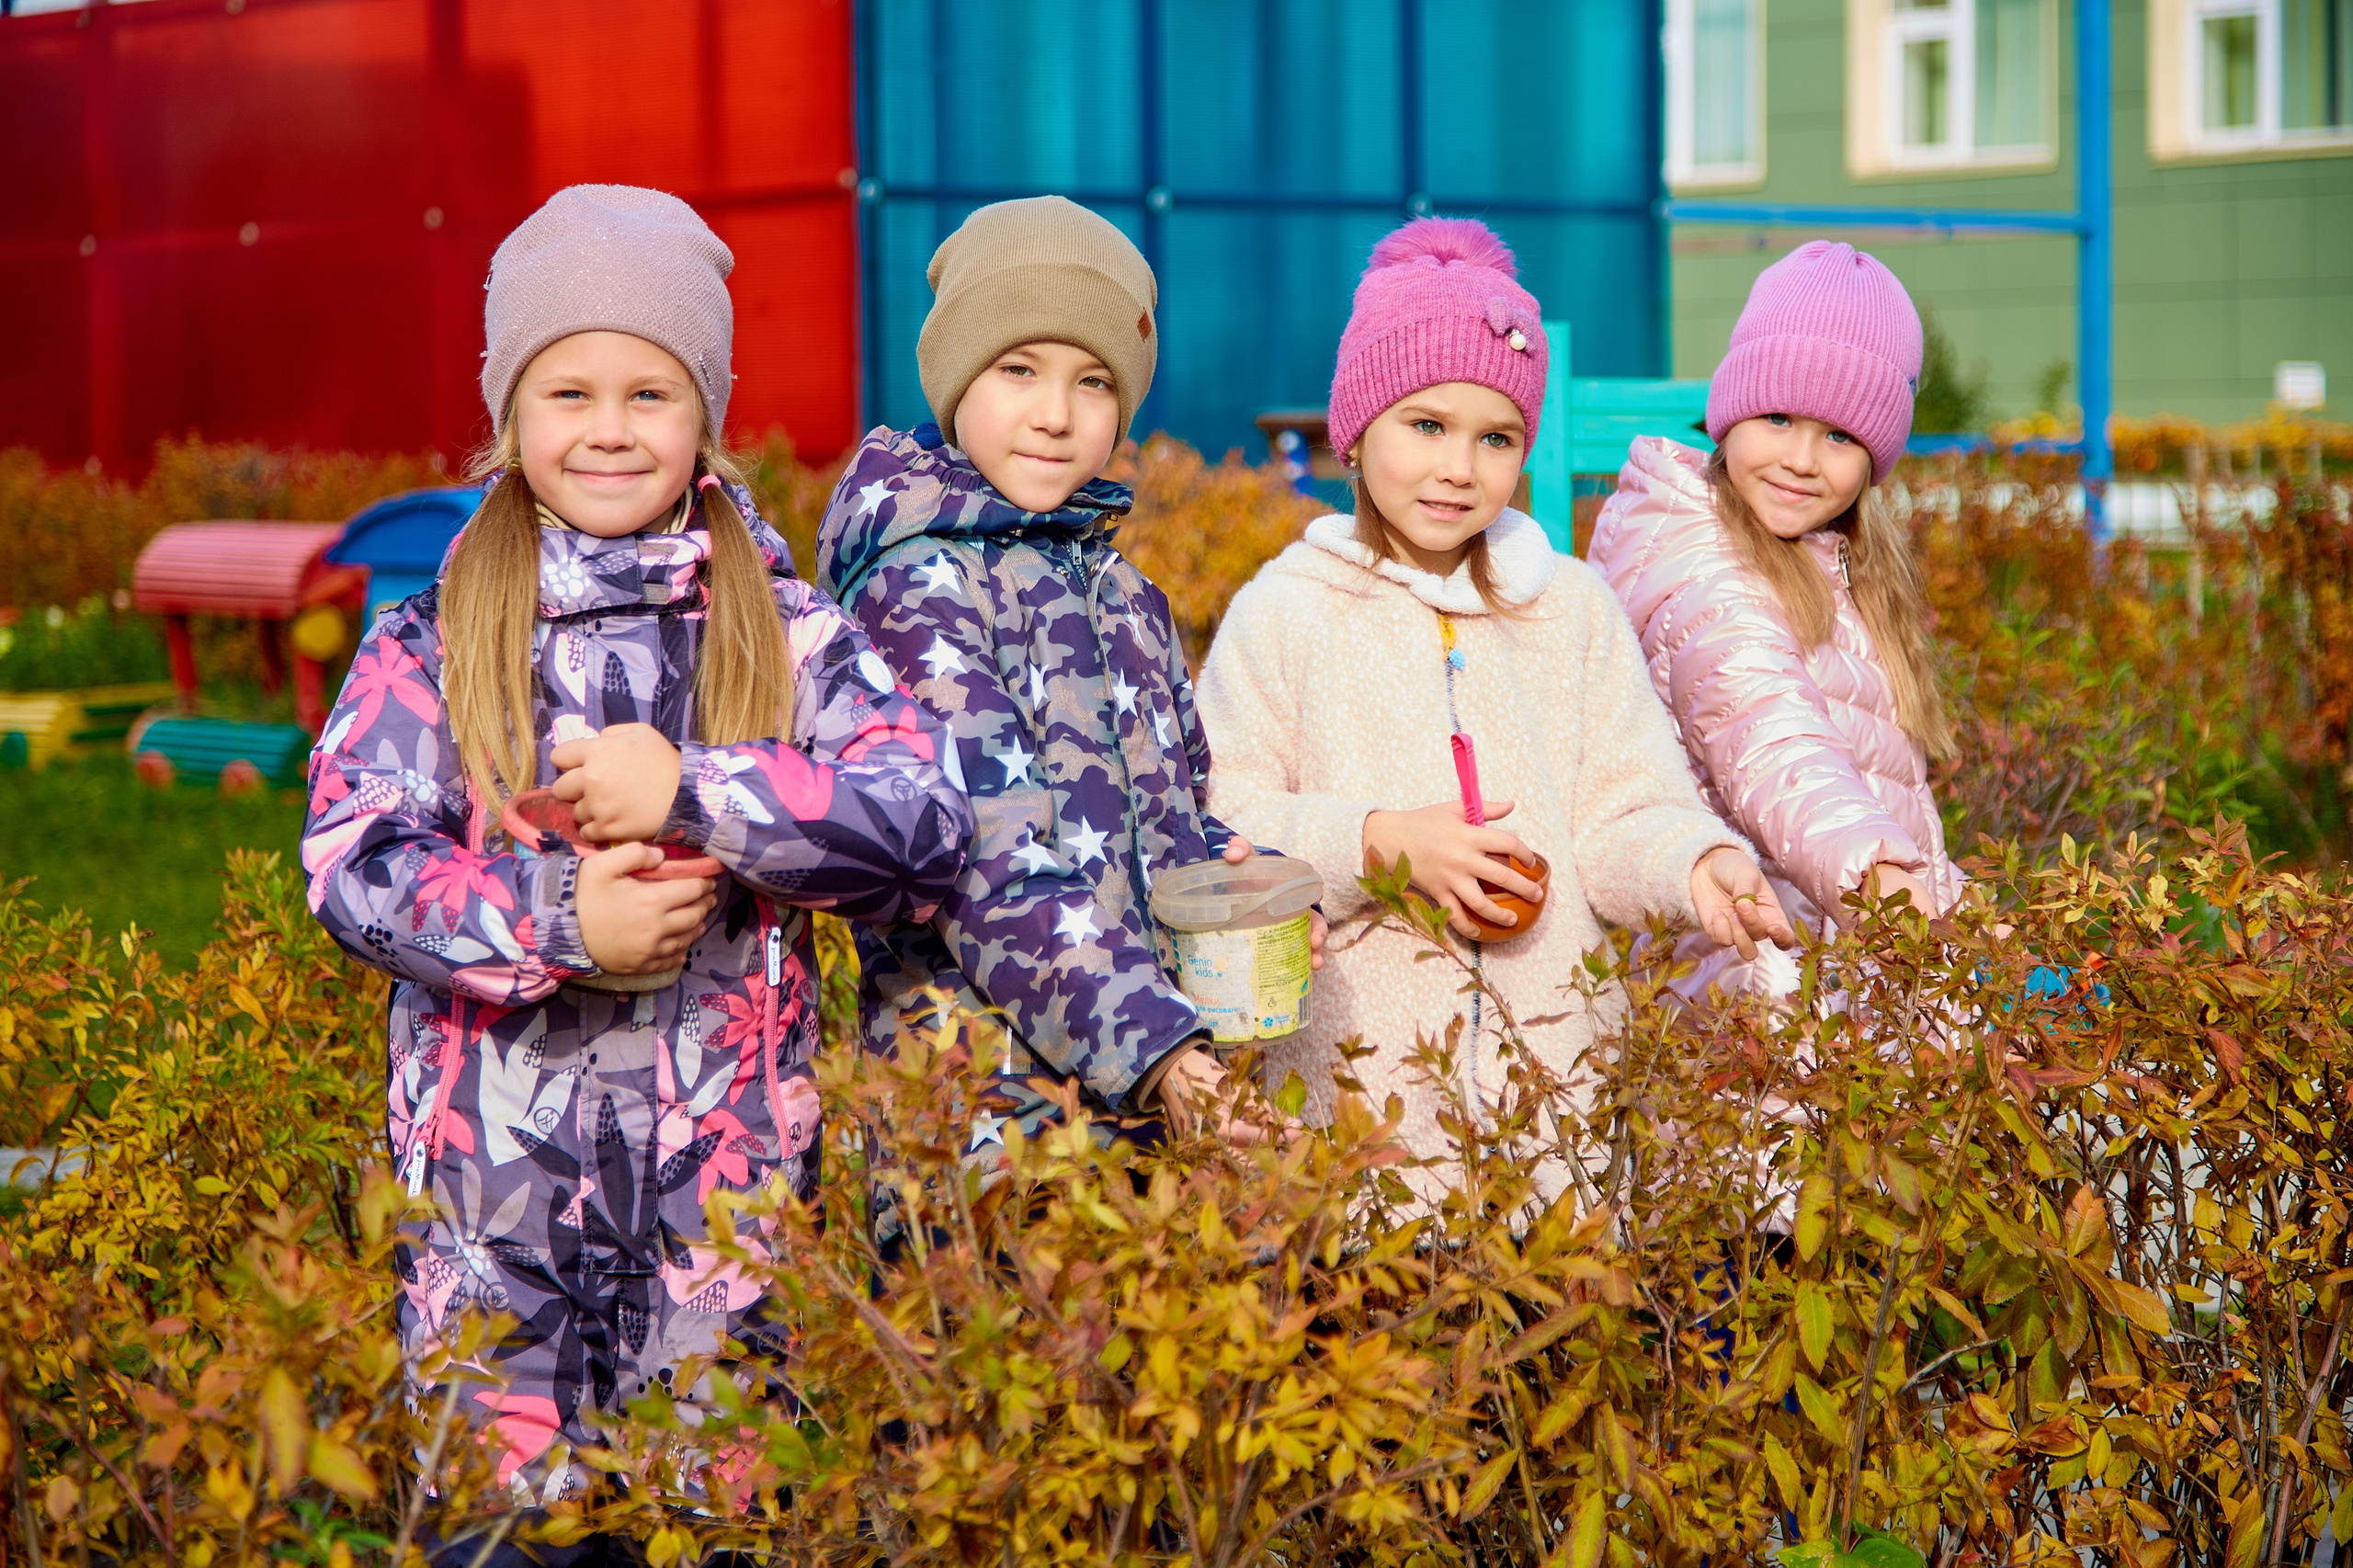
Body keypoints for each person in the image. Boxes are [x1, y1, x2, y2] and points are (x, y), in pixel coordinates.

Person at [300, 185, 971, 1512]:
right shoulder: (431, 638)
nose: (610, 430)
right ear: (509, 412)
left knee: (709, 1524)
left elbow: (924, 820)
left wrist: (698, 791)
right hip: (491, 1241)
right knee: (506, 1540)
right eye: (570, 391)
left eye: (651, 393)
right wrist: (560, 920)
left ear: (706, 412)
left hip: (728, 1244)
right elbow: (352, 860)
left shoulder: (784, 634)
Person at [1192, 217, 1789, 1199]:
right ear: (1356, 427)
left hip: (1551, 1134)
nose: (1457, 466)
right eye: (1424, 425)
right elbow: (1222, 821)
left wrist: (1697, 863)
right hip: (1355, 1137)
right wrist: (1379, 845)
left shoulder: (1569, 610)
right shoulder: (1285, 612)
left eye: (1495, 437)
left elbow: (1624, 808)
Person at [814, 195, 1321, 1156]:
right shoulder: (916, 590)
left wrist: (1236, 884)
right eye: (1018, 369)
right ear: (954, 377)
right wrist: (1170, 1056)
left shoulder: (1127, 595)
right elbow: (984, 863)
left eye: (1094, 382)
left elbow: (1174, 808)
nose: (1055, 414)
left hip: (1145, 1102)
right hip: (991, 1130)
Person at [1587, 240, 1960, 1002]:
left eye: (1840, 436)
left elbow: (1881, 781)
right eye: (1779, 417)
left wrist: (1960, 912)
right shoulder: (1704, 569)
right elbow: (1770, 737)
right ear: (1731, 415)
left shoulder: (1834, 557)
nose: (1801, 458)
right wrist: (1881, 876)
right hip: (1746, 989)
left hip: (1828, 965)